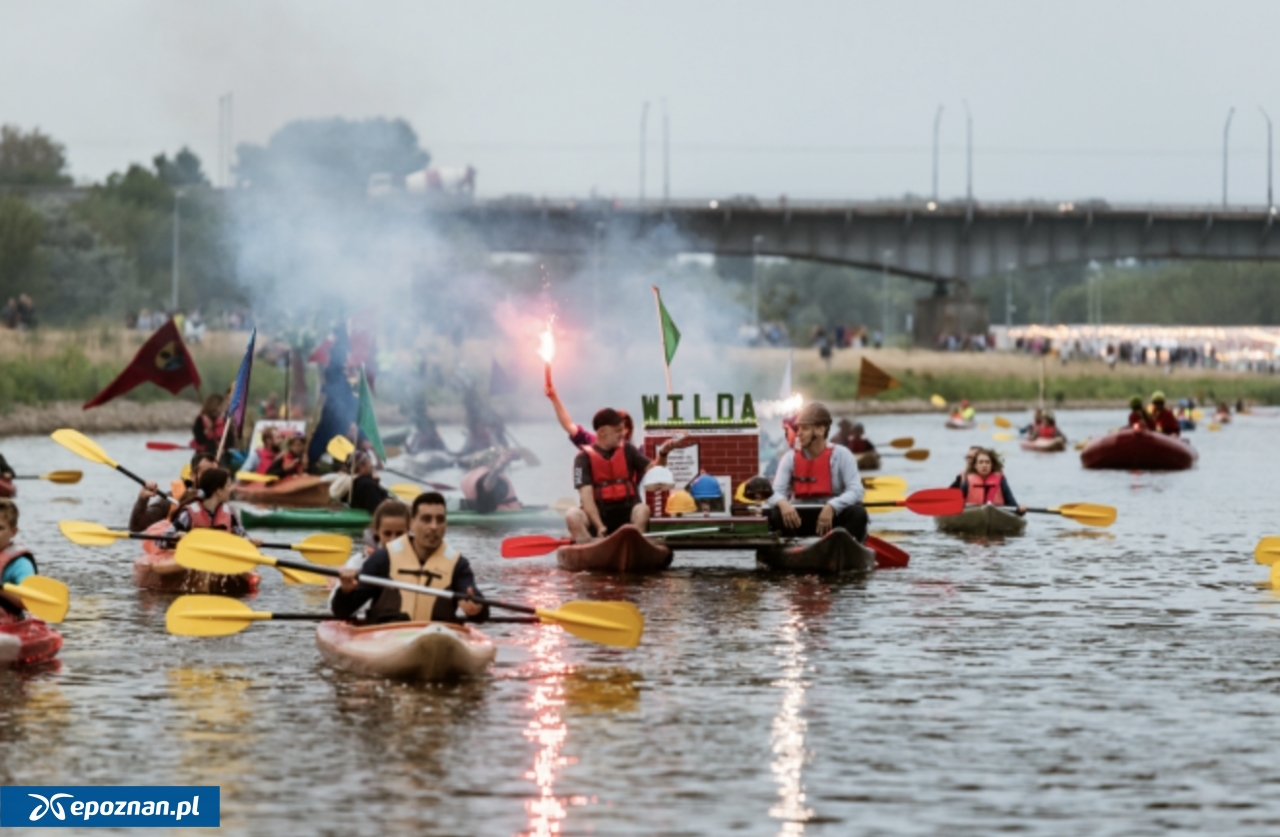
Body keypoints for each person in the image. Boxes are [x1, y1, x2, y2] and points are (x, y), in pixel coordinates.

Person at [332, 492, 489, 624]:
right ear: (412, 524)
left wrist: (477, 608)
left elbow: (478, 607)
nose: (434, 526)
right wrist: (345, 592)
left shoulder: (458, 565)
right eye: (426, 519)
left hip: (437, 639)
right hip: (388, 637)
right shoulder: (382, 559)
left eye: (440, 520)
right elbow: (342, 611)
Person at [565, 408, 674, 542]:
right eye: (617, 430)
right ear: (602, 432)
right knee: (572, 515)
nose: (622, 434)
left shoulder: (628, 449)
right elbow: (587, 499)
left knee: (642, 509)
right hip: (599, 518)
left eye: (622, 430)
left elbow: (656, 470)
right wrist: (599, 526)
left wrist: (663, 453)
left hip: (627, 516)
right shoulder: (583, 458)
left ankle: (635, 544)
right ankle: (587, 546)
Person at [766, 402, 868, 541]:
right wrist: (783, 503)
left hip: (832, 517)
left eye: (805, 429)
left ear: (821, 430)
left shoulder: (843, 455)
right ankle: (791, 546)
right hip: (800, 518)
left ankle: (844, 544)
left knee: (858, 512)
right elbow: (774, 493)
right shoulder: (789, 458)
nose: (799, 433)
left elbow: (857, 491)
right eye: (799, 428)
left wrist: (832, 506)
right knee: (776, 513)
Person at [165, 468, 262, 545]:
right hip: (195, 560)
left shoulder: (230, 513)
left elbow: (243, 536)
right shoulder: (188, 514)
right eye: (228, 486)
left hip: (219, 560)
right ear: (219, 491)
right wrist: (176, 536)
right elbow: (162, 540)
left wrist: (251, 541)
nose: (230, 490)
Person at [129, 452, 217, 532]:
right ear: (193, 476)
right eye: (207, 474)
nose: (213, 479)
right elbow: (136, 526)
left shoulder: (221, 499)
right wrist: (143, 498)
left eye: (216, 474)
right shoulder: (172, 499)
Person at [544, 377, 635, 449]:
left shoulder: (636, 457)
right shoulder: (593, 443)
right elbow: (569, 425)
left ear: (626, 430)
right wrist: (554, 398)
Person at [0, 499, 39, 620]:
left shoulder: (21, 564)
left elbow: (29, 602)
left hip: (8, 624)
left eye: (0, 528)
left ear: (13, 532)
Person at [957, 448, 1026, 515]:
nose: (984, 465)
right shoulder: (968, 481)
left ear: (992, 465)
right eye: (981, 462)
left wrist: (1020, 509)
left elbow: (1012, 505)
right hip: (973, 515)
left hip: (997, 515)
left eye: (987, 462)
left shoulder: (1001, 480)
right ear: (975, 466)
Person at [460, 449, 522, 514]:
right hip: (505, 515)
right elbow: (486, 488)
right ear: (493, 461)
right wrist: (498, 468)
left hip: (476, 514)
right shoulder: (492, 476)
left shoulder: (467, 477)